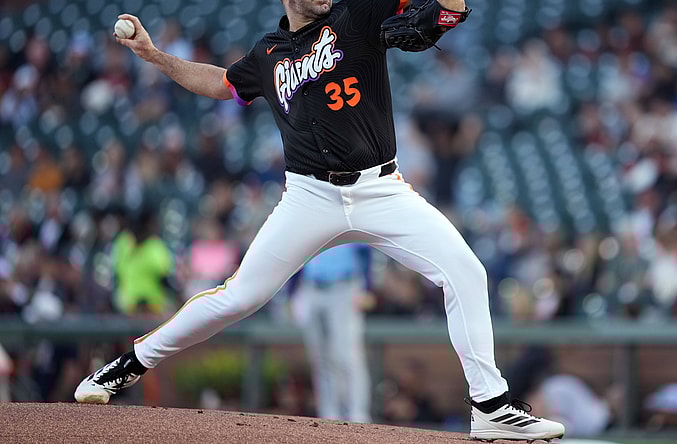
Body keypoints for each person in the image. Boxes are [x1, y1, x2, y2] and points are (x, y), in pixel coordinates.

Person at [73, 1, 565, 441]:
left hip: (379, 188)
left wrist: (449, 8)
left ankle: (490, 405)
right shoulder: (268, 54)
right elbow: (222, 84)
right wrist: (156, 56)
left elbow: (439, 12)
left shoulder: (356, 14)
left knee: (466, 272)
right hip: (309, 195)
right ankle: (130, 362)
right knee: (240, 296)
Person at [290, 243, 373, 423]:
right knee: (320, 358)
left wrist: (367, 287)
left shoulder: (349, 215)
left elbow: (366, 250)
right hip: (310, 287)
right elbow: (297, 253)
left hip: (344, 287)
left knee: (347, 355)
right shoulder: (310, 220)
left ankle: (358, 414)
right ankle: (329, 414)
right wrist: (292, 292)